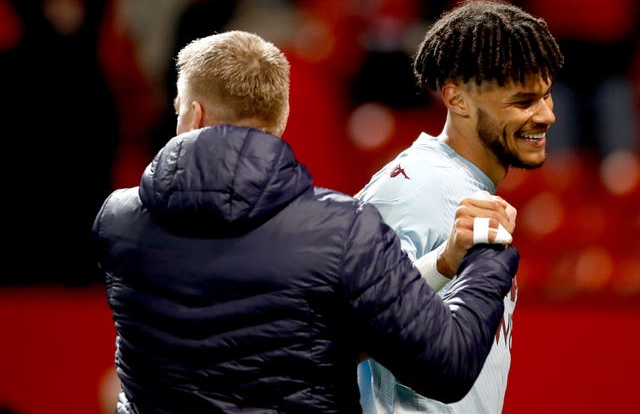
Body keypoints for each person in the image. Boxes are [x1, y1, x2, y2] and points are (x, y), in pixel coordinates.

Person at [92, 30, 521, 413]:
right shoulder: (345, 230)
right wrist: (486, 252)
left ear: (195, 115)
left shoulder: (118, 221)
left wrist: (443, 262)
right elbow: (446, 366)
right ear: (280, 118)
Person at [356, 0, 564, 414]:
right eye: (524, 102)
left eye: (546, 97)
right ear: (458, 100)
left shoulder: (460, 186)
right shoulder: (417, 189)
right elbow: (348, 326)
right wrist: (444, 260)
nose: (547, 116)